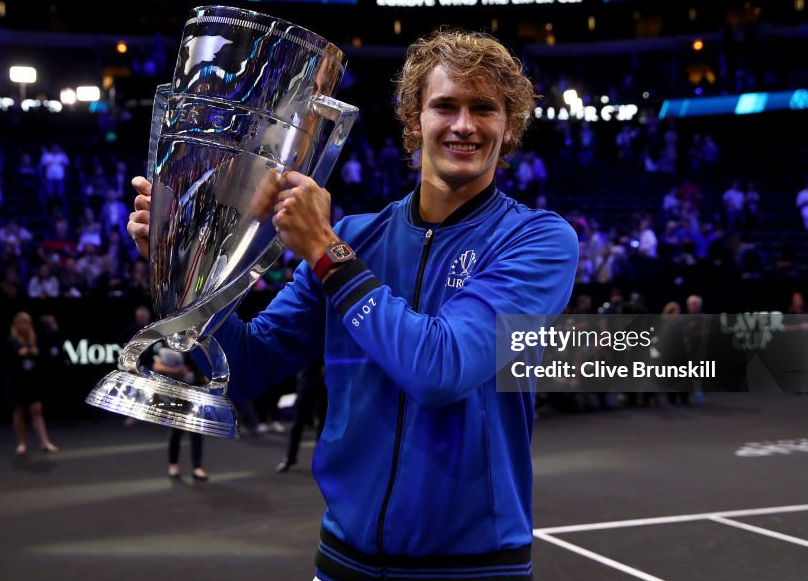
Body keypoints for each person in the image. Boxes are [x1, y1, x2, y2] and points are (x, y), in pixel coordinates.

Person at [128, 29, 578, 580]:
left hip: (474, 568)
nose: (464, 125)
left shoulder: (537, 239)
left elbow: (441, 369)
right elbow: (245, 369)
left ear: (509, 126)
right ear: (415, 120)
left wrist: (324, 251)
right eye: (445, 106)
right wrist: (181, 271)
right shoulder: (356, 238)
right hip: (343, 561)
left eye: (484, 108)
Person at [152, 344, 209, 481]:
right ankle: (173, 465)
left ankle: (197, 468)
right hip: (177, 395)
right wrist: (177, 370)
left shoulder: (198, 347)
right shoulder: (170, 346)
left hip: (196, 394)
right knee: (176, 432)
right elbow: (157, 367)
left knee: (196, 433)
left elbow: (205, 373)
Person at [7, 311, 58, 455]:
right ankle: (21, 443)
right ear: (16, 325)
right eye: (22, 323)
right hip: (17, 381)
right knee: (19, 410)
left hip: (32, 380)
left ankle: (44, 441)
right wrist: (20, 354)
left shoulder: (35, 340)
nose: (25, 326)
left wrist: (35, 353)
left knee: (36, 410)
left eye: (27, 323)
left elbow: (45, 359)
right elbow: (8, 362)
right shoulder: (11, 341)